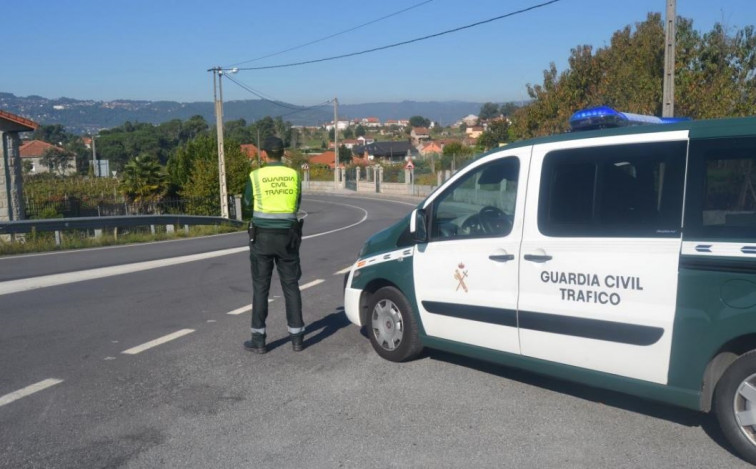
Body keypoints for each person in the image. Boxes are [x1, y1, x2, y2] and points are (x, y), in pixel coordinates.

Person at [242, 136, 305, 354]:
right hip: (288, 237)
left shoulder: (256, 176)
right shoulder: (293, 175)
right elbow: (297, 203)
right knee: (291, 286)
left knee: (261, 287)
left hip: (262, 237)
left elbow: (247, 203)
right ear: (284, 153)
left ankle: (258, 340)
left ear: (264, 154)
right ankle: (297, 338)